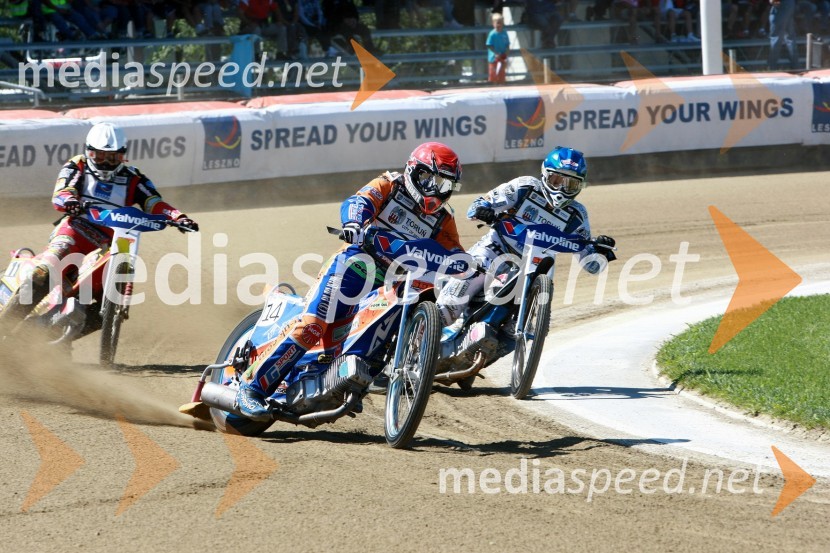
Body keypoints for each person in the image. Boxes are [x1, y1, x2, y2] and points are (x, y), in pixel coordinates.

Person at [236, 142, 464, 420]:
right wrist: (354, 223)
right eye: (429, 180)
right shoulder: (389, 185)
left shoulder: (443, 219)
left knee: (386, 330)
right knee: (313, 326)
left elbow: (456, 254)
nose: (435, 190)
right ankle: (251, 389)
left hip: (391, 285)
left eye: (443, 184)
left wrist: (470, 267)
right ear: (413, 172)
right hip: (355, 265)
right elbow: (359, 202)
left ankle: (345, 379)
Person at [20, 122, 199, 315]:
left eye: (113, 157)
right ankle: (11, 318)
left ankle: (66, 328)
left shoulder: (134, 178)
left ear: (123, 156)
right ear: (89, 152)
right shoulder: (77, 164)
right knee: (47, 269)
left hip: (113, 242)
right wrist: (70, 200)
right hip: (75, 230)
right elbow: (63, 191)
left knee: (113, 302)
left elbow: (154, 202)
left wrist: (178, 217)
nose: (106, 163)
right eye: (100, 156)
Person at [435, 146, 616, 328]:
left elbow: (592, 266)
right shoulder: (525, 186)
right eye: (557, 180)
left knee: (522, 322)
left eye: (571, 184)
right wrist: (485, 209)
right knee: (449, 308)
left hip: (535, 266)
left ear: (581, 186)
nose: (562, 189)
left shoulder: (577, 215)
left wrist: (600, 252)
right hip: (494, 250)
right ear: (545, 175)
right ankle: (434, 329)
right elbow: (476, 206)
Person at [768, 0, 798, 69]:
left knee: (776, 37)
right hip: (789, 4)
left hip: (781, 6)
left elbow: (774, 1)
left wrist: (773, 1)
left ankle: (772, 66)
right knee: (790, 38)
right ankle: (795, 66)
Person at [486, 12, 510, 84]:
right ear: (493, 24)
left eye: (501, 23)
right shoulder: (492, 34)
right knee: (493, 73)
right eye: (497, 23)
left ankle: (501, 83)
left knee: (501, 72)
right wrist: (495, 53)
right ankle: (493, 85)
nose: (499, 25)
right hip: (494, 57)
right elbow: (489, 45)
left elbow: (507, 44)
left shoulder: (504, 33)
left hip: (502, 56)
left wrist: (506, 52)